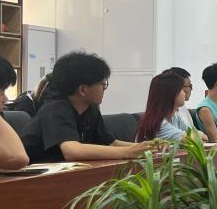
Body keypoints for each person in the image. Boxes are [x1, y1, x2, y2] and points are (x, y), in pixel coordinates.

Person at [19, 51, 151, 163]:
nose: (104, 88)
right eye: (102, 84)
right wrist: (127, 152)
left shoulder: (90, 109)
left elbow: (111, 143)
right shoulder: (55, 109)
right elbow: (72, 151)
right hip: (27, 177)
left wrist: (148, 148)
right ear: (83, 89)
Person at [135, 71, 207, 142]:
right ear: (171, 94)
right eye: (181, 89)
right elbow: (193, 139)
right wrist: (198, 135)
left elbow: (201, 136)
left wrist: (198, 135)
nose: (184, 93)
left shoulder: (174, 117)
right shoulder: (159, 125)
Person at [166, 66, 200, 132]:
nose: (191, 89)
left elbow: (194, 132)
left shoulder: (182, 107)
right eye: (190, 86)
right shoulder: (166, 117)